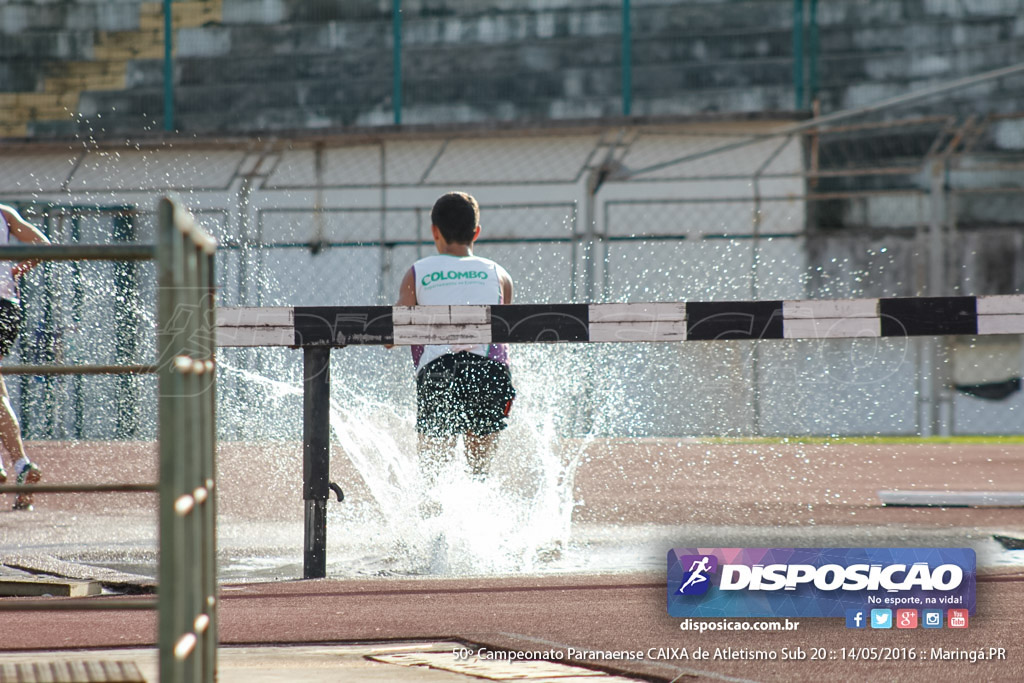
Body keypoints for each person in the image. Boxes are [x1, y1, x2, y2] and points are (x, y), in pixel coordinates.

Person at [395, 191, 515, 480]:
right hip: (489, 373)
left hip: (439, 371)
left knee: (434, 473)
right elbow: (502, 332)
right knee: (479, 472)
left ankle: (436, 519)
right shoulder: (499, 274)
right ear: (476, 232)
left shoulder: (417, 273)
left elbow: (394, 330)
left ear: (434, 231)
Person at [0, 204, 51, 511]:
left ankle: (18, 465)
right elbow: (43, 245)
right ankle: (19, 465)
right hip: (8, 306)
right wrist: (17, 269)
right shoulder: (4, 213)